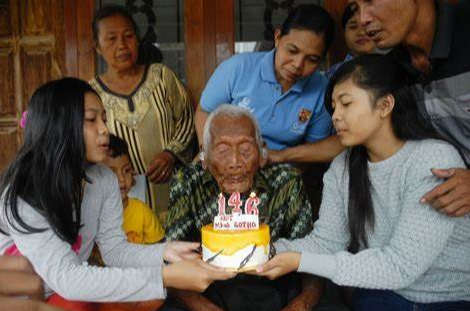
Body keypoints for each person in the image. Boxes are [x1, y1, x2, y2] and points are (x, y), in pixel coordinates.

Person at [254, 55, 470, 310]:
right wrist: (262, 250)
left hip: (448, 299)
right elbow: (326, 243)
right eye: (333, 107)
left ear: (385, 105)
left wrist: (298, 261)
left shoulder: (432, 158)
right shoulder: (342, 167)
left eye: (346, 104)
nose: (335, 116)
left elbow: (401, 266)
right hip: (385, 294)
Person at [0, 78, 235, 311]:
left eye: (104, 118)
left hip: (67, 293)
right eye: (91, 119)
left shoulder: (103, 180)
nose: (104, 129)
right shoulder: (23, 196)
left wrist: (165, 251)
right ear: (58, 126)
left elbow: (114, 251)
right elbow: (68, 279)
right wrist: (165, 276)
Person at [164, 105, 323, 311]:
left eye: (246, 149)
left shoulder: (286, 181)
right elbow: (171, 263)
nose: (235, 162)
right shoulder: (187, 182)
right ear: (204, 156)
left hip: (274, 289)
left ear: (262, 153)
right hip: (209, 289)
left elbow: (311, 258)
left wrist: (302, 304)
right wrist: (206, 309)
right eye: (222, 150)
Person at [347, 0, 470, 217]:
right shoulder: (394, 70)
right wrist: (278, 155)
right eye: (355, 8)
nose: (362, 19)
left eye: (370, 1)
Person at [195, 4, 345, 164]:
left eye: (312, 59)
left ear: (322, 59)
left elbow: (314, 148)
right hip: (225, 161)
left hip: (278, 168)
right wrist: (208, 150)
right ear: (277, 37)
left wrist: (281, 159)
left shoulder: (321, 90)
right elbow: (204, 111)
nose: (297, 64)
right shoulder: (238, 68)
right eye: (292, 51)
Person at [89, 4, 195, 214]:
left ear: (137, 39)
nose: (122, 45)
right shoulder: (92, 94)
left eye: (128, 36)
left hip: (173, 194)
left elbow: (187, 119)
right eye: (111, 39)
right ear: (98, 46)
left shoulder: (161, 77)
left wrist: (170, 153)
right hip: (121, 202)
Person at [102, 134, 164, 244]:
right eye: (112, 173)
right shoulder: (92, 215)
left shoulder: (142, 212)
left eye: (126, 171)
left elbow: (159, 250)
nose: (121, 179)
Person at [324, 3, 375, 79]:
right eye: (353, 27)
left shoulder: (389, 68)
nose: (361, 32)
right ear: (344, 34)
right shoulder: (333, 74)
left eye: (368, 25)